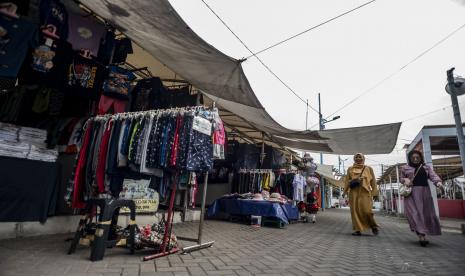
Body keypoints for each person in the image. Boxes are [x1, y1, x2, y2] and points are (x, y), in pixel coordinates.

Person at [400, 150, 442, 246]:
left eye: (417, 157)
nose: (415, 159)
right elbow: (401, 179)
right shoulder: (405, 168)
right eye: (413, 157)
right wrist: (405, 180)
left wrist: (438, 183)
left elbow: (433, 176)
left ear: (421, 158)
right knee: (415, 214)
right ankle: (421, 236)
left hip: (425, 194)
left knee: (425, 214)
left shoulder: (426, 167)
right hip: (411, 194)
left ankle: (423, 234)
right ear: (409, 158)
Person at [343, 153, 379, 236]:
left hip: (365, 192)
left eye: (360, 157)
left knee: (367, 211)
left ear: (363, 158)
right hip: (353, 192)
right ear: (354, 159)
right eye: (356, 157)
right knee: (355, 211)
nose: (358, 158)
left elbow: (373, 181)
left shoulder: (368, 168)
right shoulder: (350, 169)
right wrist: (344, 191)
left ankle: (373, 226)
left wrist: (375, 193)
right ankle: (357, 230)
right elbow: (347, 180)